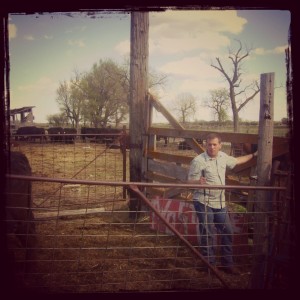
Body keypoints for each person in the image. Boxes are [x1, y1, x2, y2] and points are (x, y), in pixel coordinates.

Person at [187, 132, 257, 275]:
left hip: (220, 202)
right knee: (208, 233)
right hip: (203, 201)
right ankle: (209, 265)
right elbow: (188, 182)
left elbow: (237, 160)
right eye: (209, 144)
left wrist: (254, 155)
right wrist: (197, 182)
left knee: (227, 231)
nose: (211, 147)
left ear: (220, 145)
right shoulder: (198, 161)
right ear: (205, 144)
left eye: (214, 144)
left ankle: (227, 264)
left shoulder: (223, 157)